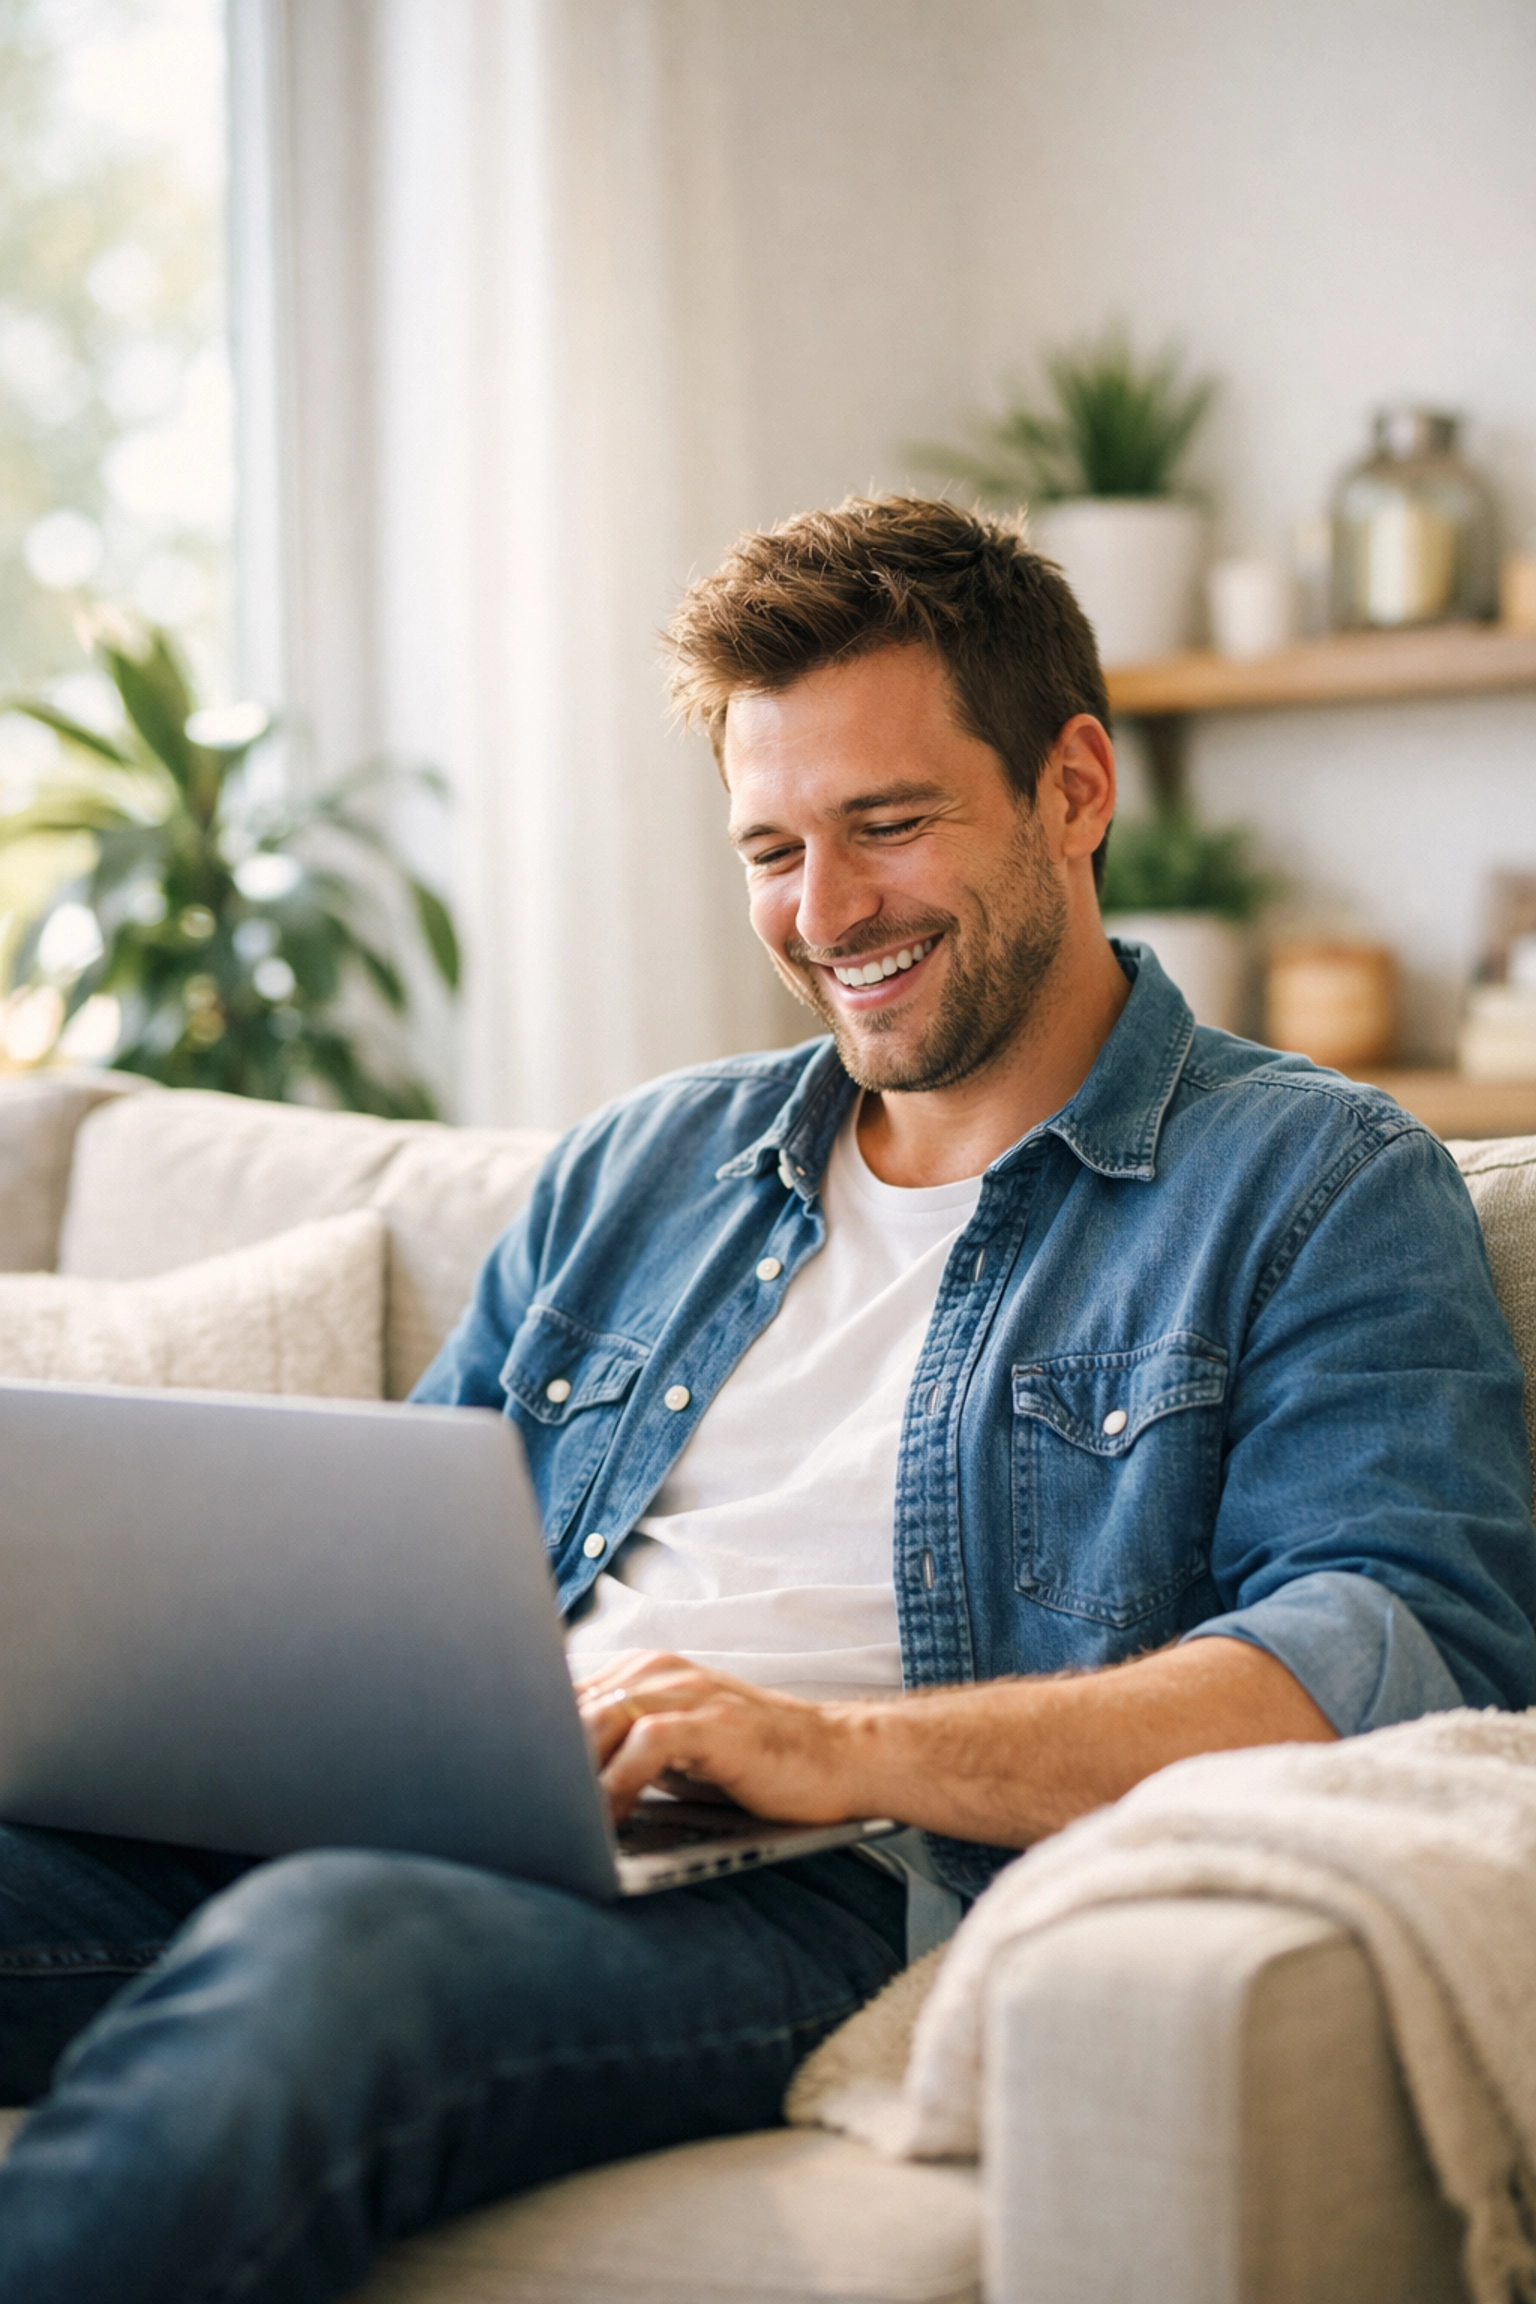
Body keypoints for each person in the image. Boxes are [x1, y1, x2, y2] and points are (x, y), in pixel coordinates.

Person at [0, 495, 1530, 2304]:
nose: (826, 913)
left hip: (840, 1880)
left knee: (338, 1953)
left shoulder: (1316, 1182)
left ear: (1075, 788)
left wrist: (839, 1751)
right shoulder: (640, 1167)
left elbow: (1401, 1651)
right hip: (495, 1800)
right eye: (773, 848)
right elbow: (383, 1549)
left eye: (888, 825)